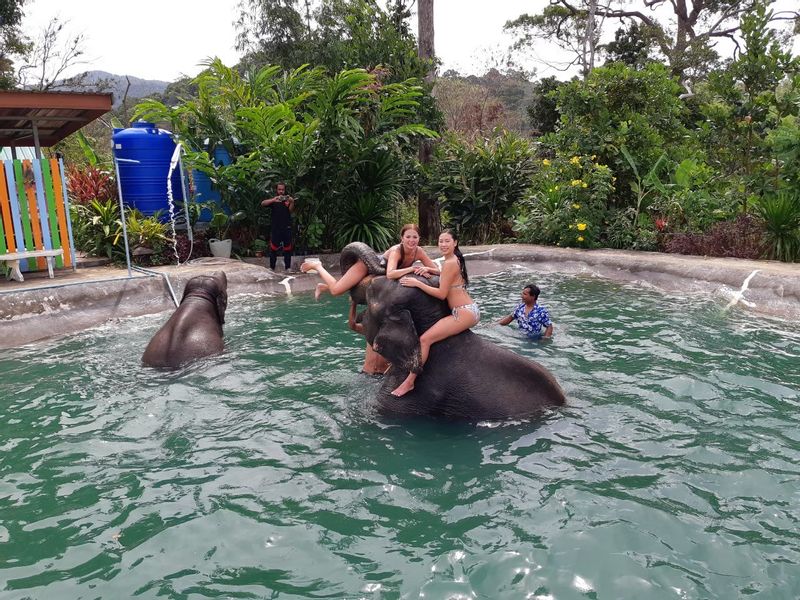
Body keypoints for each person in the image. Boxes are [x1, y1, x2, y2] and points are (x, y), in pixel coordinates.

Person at [391, 229, 480, 397]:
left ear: (455, 242)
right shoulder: (454, 260)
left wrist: (417, 284)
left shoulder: (450, 262)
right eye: (441, 241)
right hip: (469, 309)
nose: (443, 244)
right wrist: (430, 270)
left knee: (424, 340)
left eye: (447, 241)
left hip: (463, 313)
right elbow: (447, 275)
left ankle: (409, 382)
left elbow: (441, 294)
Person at [299, 223, 439, 300]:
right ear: (402, 238)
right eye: (408, 237)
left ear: (419, 238)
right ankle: (318, 266)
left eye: (415, 237)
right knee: (336, 291)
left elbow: (438, 271)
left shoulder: (419, 251)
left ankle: (323, 287)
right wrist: (412, 269)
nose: (411, 240)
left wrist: (427, 269)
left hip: (380, 274)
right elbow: (390, 274)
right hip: (368, 265)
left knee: (345, 287)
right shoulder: (397, 250)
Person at [348, 301, 390, 375]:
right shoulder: (369, 330)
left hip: (382, 375)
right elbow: (352, 326)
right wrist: (353, 305)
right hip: (366, 372)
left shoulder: (393, 334)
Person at [261, 182, 295, 271]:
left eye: (282, 189)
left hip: (286, 228)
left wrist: (292, 202)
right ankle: (272, 267)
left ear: (285, 190)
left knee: (287, 249)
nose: (281, 191)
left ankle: (288, 268)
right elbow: (263, 203)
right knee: (273, 249)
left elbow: (290, 211)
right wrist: (273, 200)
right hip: (276, 228)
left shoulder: (287, 200)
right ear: (277, 190)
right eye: (279, 189)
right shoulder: (274, 201)